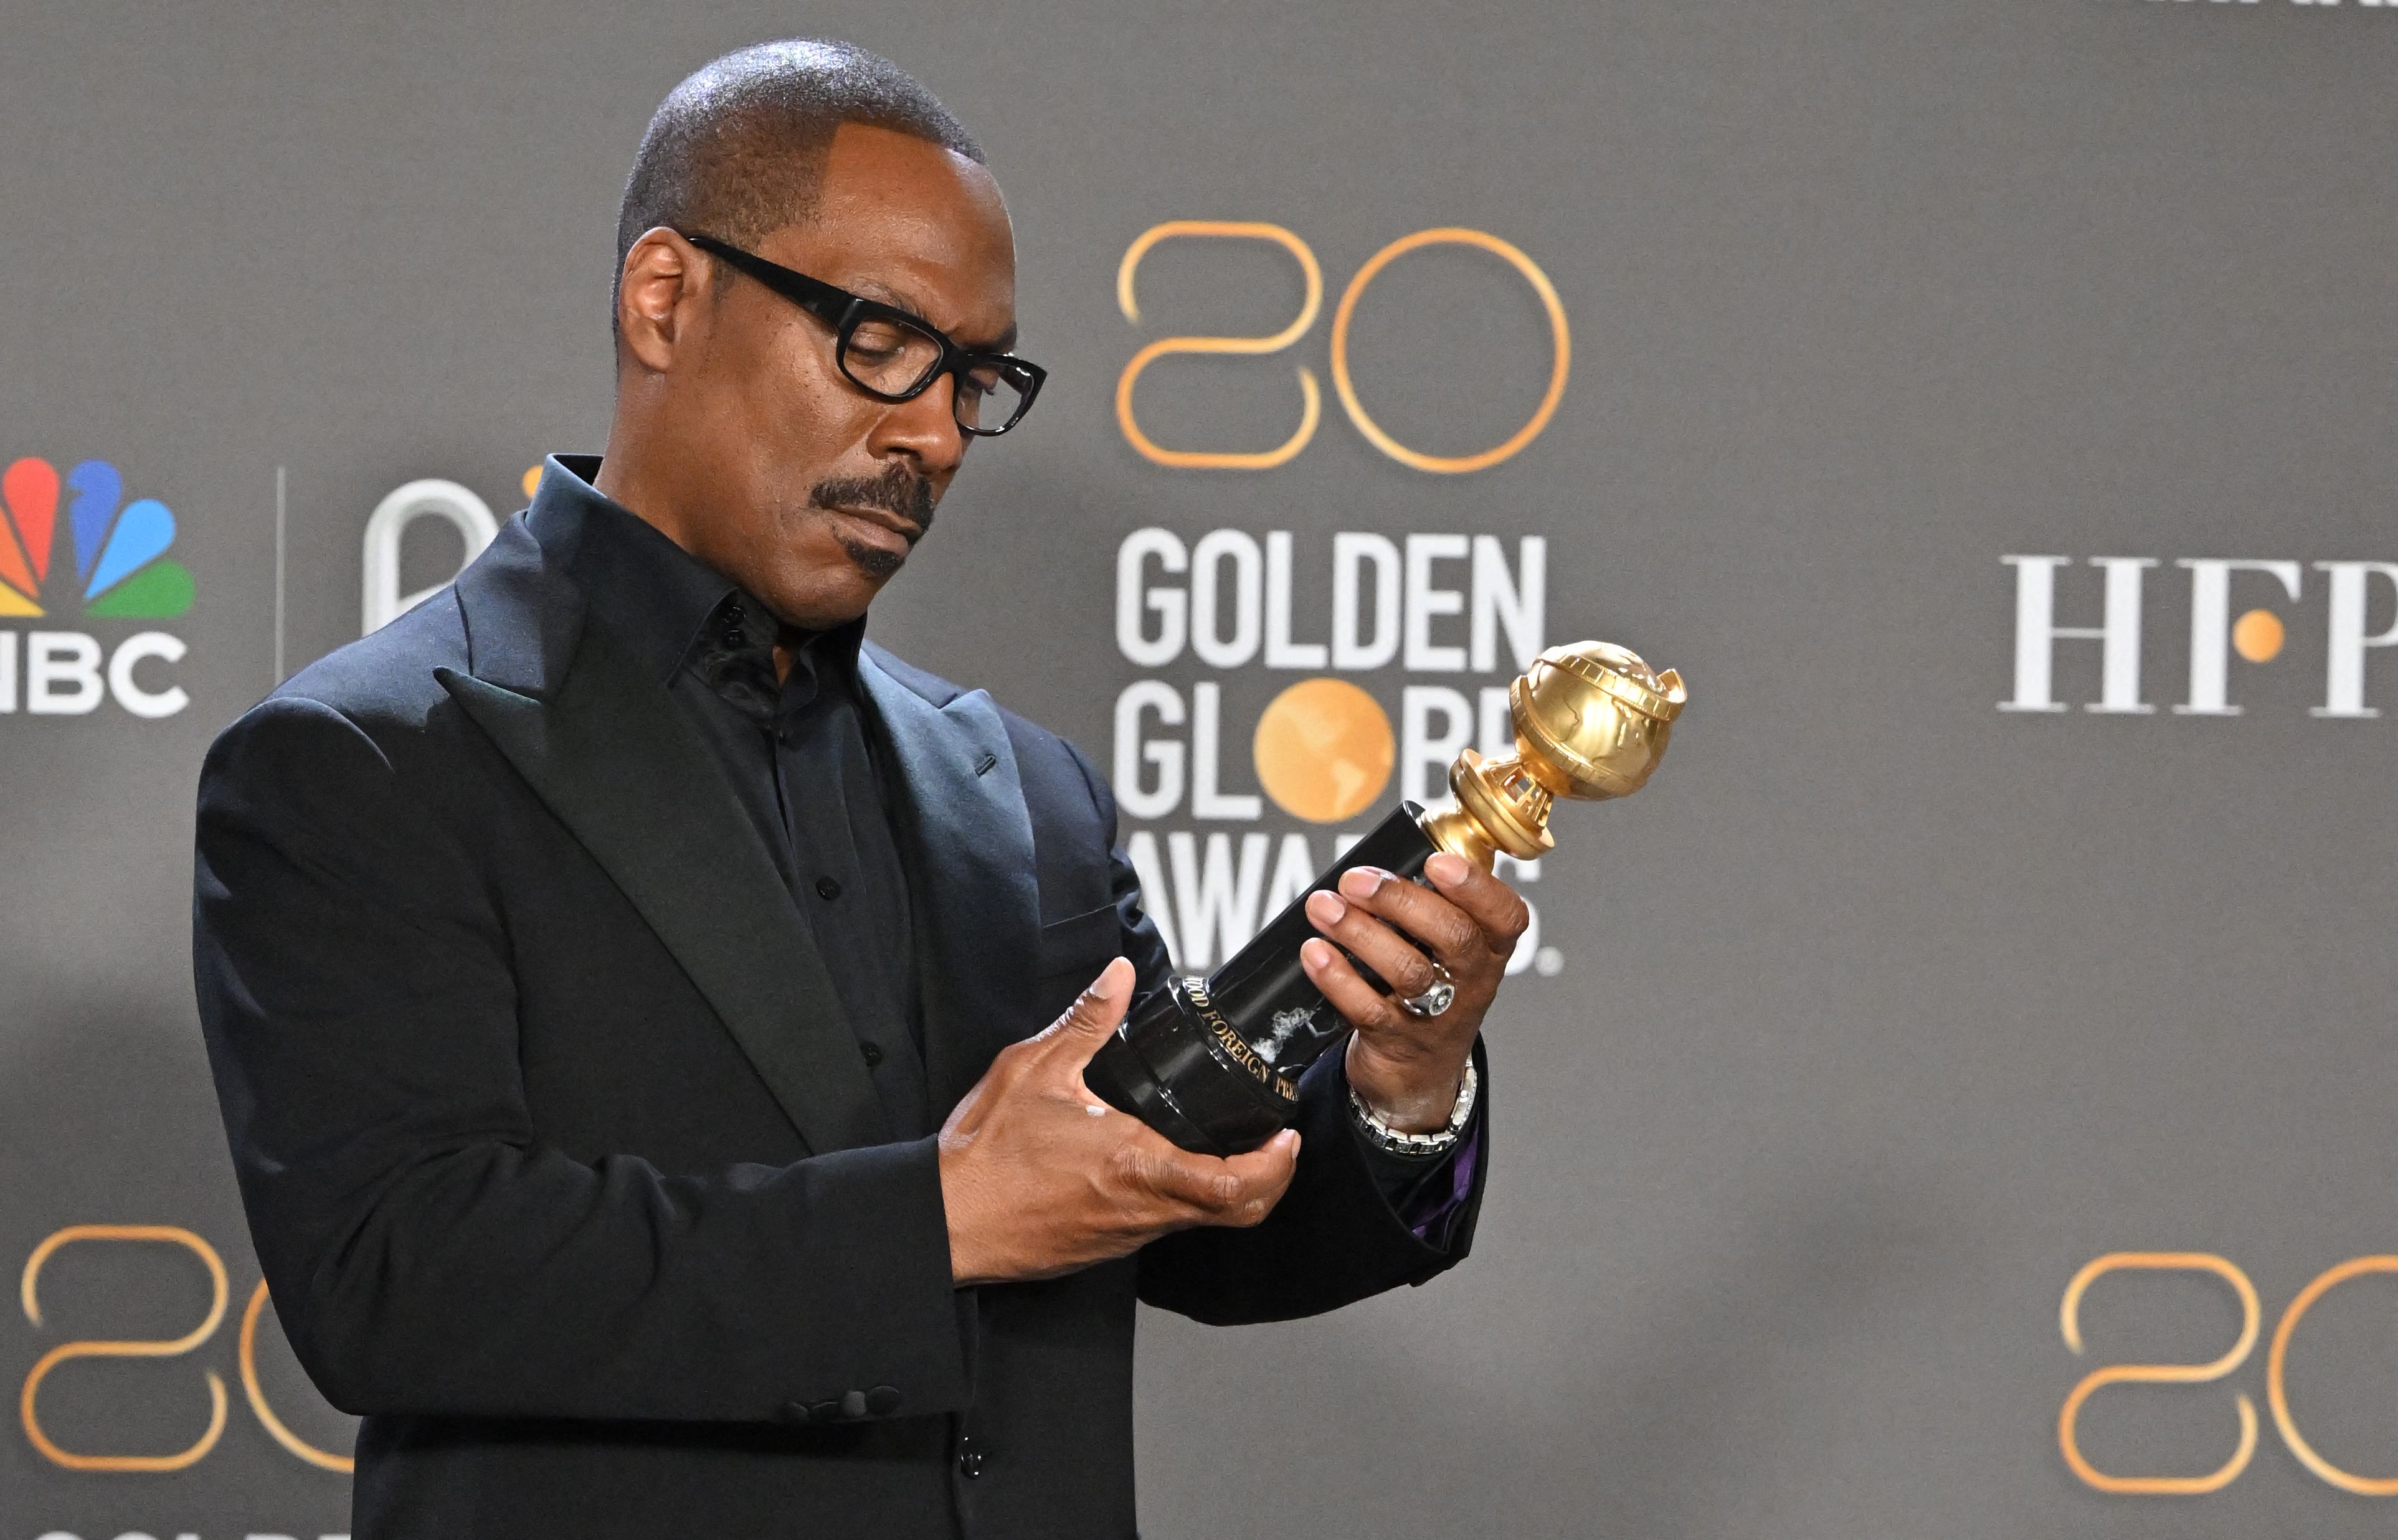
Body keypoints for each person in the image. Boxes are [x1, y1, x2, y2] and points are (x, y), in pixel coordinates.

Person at [191, 39, 1528, 1540]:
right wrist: (943, 1215)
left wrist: (1401, 1089)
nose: (935, 433)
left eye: (976, 377)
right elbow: (398, 1276)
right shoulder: (369, 756)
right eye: (880, 341)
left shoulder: (1027, 791)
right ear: (664, 298)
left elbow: (1185, 1209)